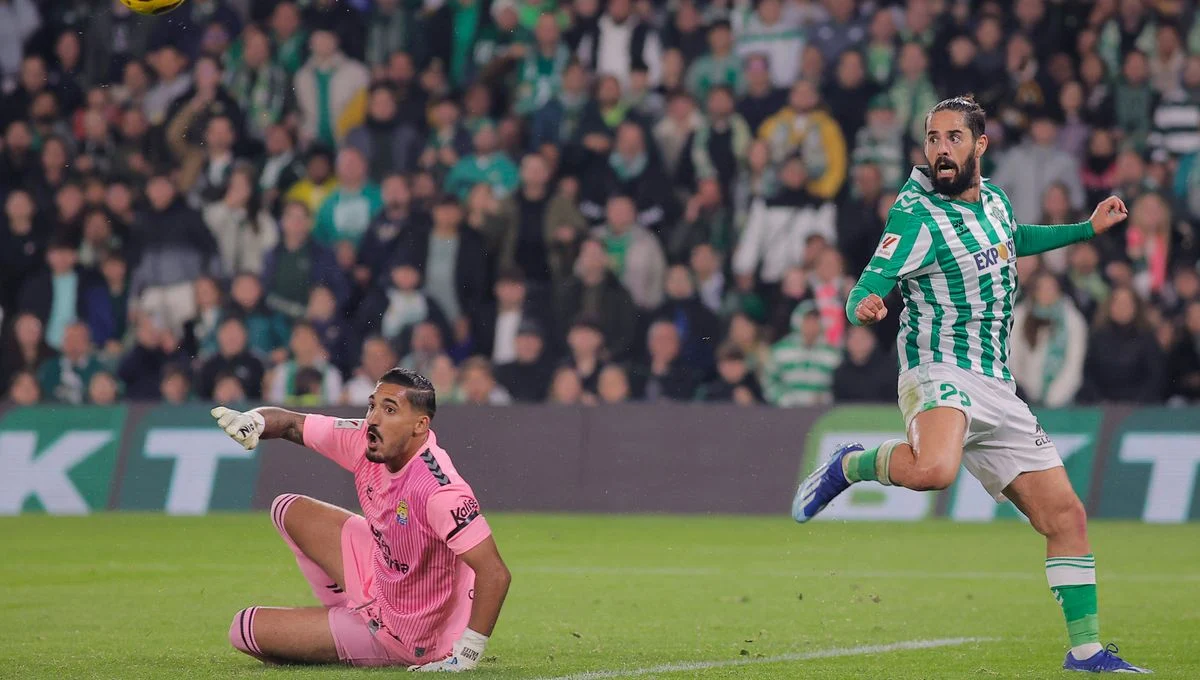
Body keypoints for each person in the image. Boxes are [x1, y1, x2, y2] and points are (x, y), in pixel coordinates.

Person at [793, 96, 1149, 673]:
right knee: (935, 470)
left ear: (980, 145)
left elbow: (1014, 240)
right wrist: (864, 306)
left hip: (996, 385)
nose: (940, 149)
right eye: (933, 138)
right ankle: (850, 464)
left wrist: (1086, 228)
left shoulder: (997, 201)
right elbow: (871, 279)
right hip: (937, 369)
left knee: (1067, 518)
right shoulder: (915, 214)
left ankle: (1084, 651)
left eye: (953, 138)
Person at [212, 368, 511, 669]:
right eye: (373, 405)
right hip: (380, 571)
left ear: (420, 425)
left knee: (244, 628)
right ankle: (348, 611)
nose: (373, 419)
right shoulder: (366, 439)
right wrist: (254, 420)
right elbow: (291, 424)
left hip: (412, 633)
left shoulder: (439, 490)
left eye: (389, 410)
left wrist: (467, 653)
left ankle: (356, 629)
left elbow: (495, 572)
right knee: (287, 508)